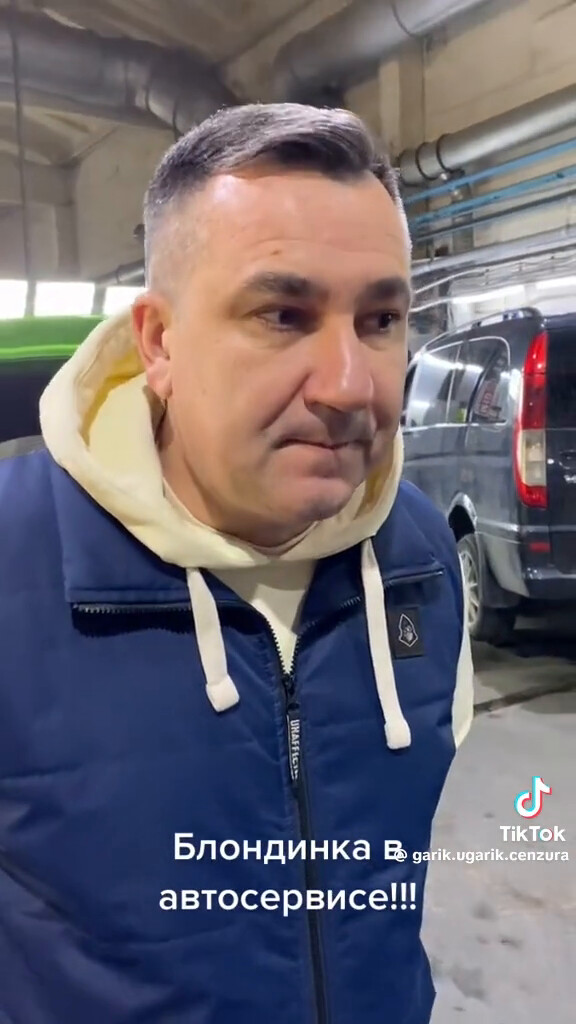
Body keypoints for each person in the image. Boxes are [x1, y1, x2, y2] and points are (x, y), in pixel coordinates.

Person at [0, 103, 473, 1024]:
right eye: (283, 315)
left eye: (381, 319)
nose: (348, 385)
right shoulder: (16, 561)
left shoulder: (419, 557)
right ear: (160, 342)